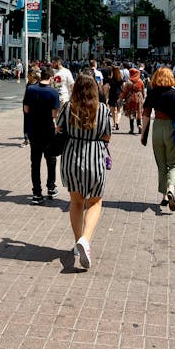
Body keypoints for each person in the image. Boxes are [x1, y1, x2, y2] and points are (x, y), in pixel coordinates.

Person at [57, 73, 111, 269]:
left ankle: (78, 240)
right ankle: (85, 240)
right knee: (95, 201)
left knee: (76, 201)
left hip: (71, 158)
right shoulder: (103, 110)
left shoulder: (68, 108)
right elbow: (107, 136)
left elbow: (59, 130)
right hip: (95, 157)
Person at [141, 67, 175, 212]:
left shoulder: (153, 93)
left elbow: (146, 114)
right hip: (172, 128)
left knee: (161, 164)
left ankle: (164, 197)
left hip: (158, 128)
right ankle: (171, 188)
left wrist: (143, 134)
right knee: (173, 164)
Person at [23, 67, 60, 205]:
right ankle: (51, 187)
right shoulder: (53, 92)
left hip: (33, 128)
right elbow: (54, 115)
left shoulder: (31, 89)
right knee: (51, 158)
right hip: (48, 129)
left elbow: (26, 109)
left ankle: (37, 193)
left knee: (35, 161)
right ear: (50, 78)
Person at [121, 67, 145, 134]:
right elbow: (143, 90)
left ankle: (132, 129)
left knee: (131, 114)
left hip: (131, 98)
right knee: (139, 113)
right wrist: (143, 97)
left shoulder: (129, 82)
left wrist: (122, 98)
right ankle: (139, 125)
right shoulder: (140, 81)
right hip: (139, 98)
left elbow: (125, 91)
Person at [22, 66, 41, 147]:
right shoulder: (28, 84)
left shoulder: (38, 84)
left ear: (32, 75)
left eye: (28, 76)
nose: (27, 78)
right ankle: (26, 139)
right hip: (27, 106)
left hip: (35, 107)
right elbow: (26, 96)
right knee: (26, 122)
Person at [107, 65, 124, 130]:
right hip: (119, 94)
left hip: (112, 94)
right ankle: (117, 122)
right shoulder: (120, 79)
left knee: (113, 110)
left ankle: (114, 123)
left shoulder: (110, 79)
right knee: (119, 110)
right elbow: (122, 87)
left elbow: (108, 87)